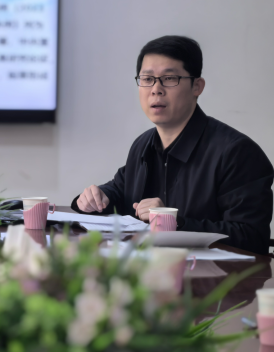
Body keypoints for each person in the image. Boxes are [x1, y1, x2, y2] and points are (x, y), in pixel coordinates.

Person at [71, 35, 274, 255]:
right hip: (146, 269)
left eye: (169, 78)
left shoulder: (236, 152)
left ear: (197, 86)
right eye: (147, 79)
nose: (155, 89)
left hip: (209, 275)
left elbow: (252, 237)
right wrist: (98, 197)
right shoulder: (143, 144)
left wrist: (172, 222)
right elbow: (121, 190)